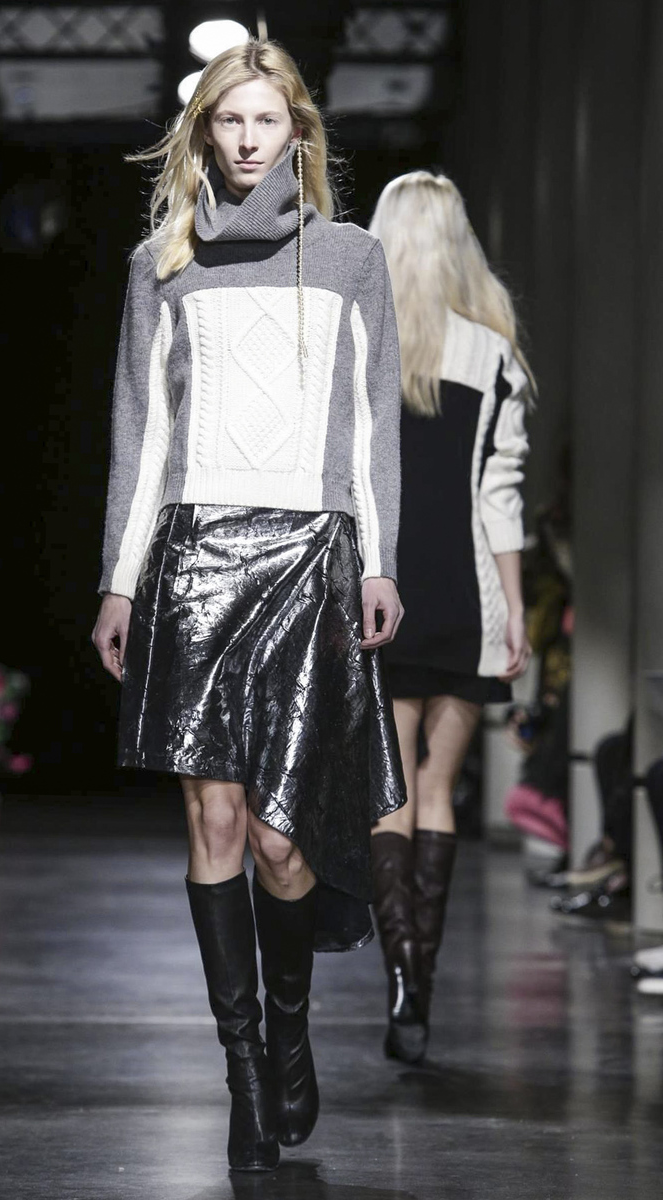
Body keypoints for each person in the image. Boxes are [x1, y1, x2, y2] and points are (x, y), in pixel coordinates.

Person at [91, 40, 406, 1173]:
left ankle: (288, 1027)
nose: (245, 140)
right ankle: (241, 1071)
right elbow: (143, 433)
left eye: (266, 121)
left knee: (281, 838)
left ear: (298, 134)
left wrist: (378, 561)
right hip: (192, 559)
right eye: (228, 121)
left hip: (310, 555)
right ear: (203, 133)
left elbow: (370, 419)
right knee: (215, 823)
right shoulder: (162, 263)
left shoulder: (351, 258)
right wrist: (120, 578)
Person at [367, 172, 533, 1064]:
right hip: (466, 592)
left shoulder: (357, 340)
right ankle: (420, 984)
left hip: (384, 591)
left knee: (390, 789)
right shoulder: (493, 352)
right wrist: (515, 610)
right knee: (437, 791)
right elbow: (501, 494)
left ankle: (399, 977)